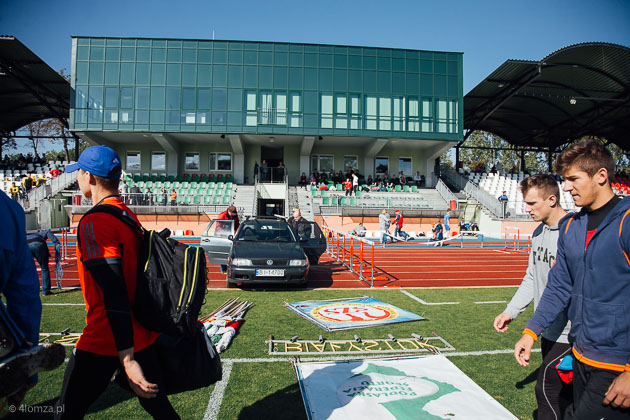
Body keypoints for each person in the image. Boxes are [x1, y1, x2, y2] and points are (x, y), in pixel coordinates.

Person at [58, 145, 179, 419]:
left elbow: (113, 290)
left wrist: (126, 359)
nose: (76, 178)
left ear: (89, 177)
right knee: (160, 409)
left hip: (106, 337)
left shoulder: (95, 221)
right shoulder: (127, 215)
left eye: (78, 172)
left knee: (65, 412)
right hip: (140, 333)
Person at [514, 139, 630, 418]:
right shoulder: (571, 227)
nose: (566, 187)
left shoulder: (626, 221)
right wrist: (531, 331)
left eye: (573, 179)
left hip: (617, 365)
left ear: (601, 176)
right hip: (581, 355)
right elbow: (558, 287)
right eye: (564, 180)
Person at [494, 174, 571, 420]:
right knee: (566, 396)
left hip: (570, 332)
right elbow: (531, 277)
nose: (526, 209)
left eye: (531, 204)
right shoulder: (538, 232)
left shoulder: (572, 232)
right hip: (547, 329)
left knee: (546, 388)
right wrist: (511, 311)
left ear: (551, 199)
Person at [0, 190, 64, 403]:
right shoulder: (8, 208)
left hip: (29, 243)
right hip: (29, 244)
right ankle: (47, 288)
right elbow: (25, 297)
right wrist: (24, 369)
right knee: (44, 269)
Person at [26, 230, 61, 296]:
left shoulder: (23, 234)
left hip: (26, 245)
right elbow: (48, 232)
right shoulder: (39, 233)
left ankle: (29, 289)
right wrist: (56, 242)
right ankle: (46, 290)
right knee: (44, 268)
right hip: (39, 244)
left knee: (27, 269)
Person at [217, 205, 240, 273]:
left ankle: (231, 267)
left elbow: (237, 226)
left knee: (232, 252)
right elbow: (218, 227)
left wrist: (236, 234)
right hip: (222, 235)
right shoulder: (222, 216)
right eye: (232, 214)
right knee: (223, 252)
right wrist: (226, 234)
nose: (233, 215)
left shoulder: (235, 216)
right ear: (228, 211)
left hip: (231, 235)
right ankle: (223, 269)